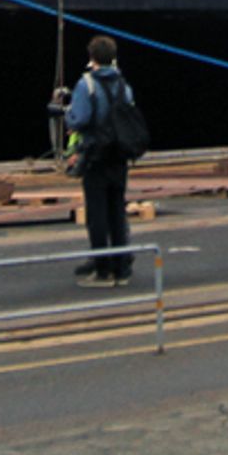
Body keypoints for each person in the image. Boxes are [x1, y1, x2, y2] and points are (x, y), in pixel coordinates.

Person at [61, 36, 138, 287]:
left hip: (96, 156)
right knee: (117, 211)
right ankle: (121, 268)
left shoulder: (87, 85)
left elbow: (80, 119)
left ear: (91, 57)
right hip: (119, 156)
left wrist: (66, 115)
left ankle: (102, 271)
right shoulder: (123, 85)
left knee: (97, 215)